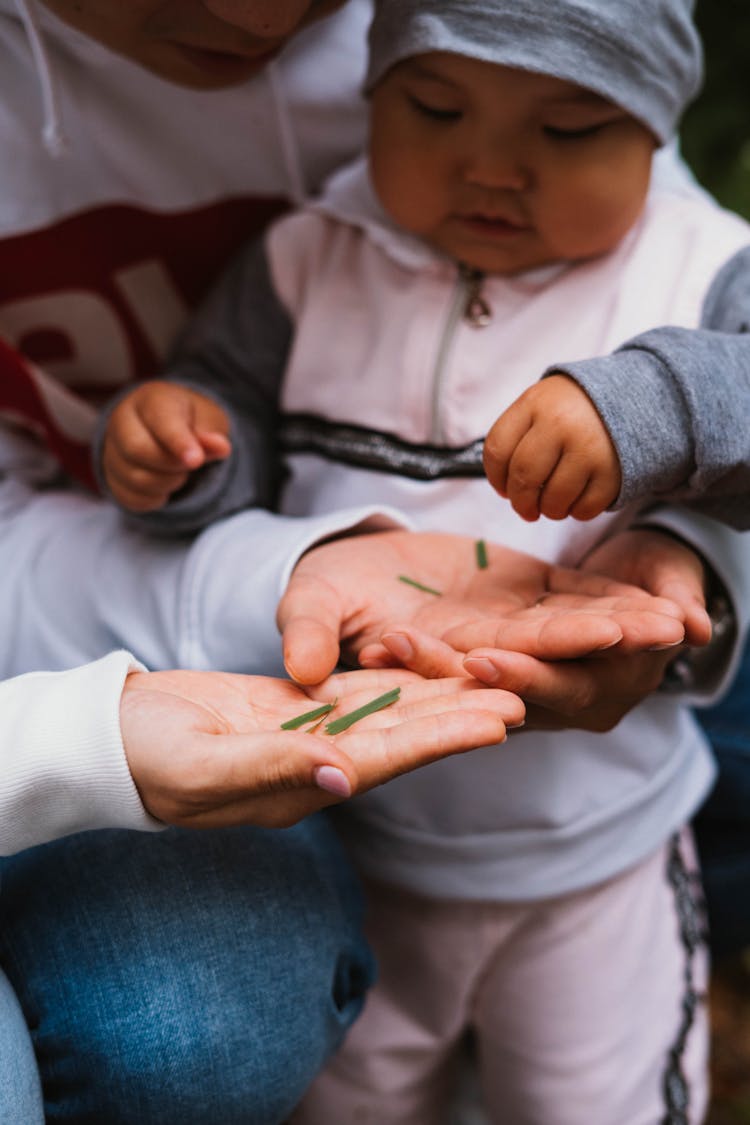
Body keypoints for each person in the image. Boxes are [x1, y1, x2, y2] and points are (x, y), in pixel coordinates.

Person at [0, 1, 714, 1119]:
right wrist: (182, 452)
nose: (490, 167)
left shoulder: (694, 261)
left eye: (569, 131)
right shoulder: (309, 251)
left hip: (596, 842)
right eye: (433, 110)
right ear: (379, 95)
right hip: (367, 810)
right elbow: (229, 397)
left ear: (659, 130)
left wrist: (664, 422)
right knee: (359, 1093)